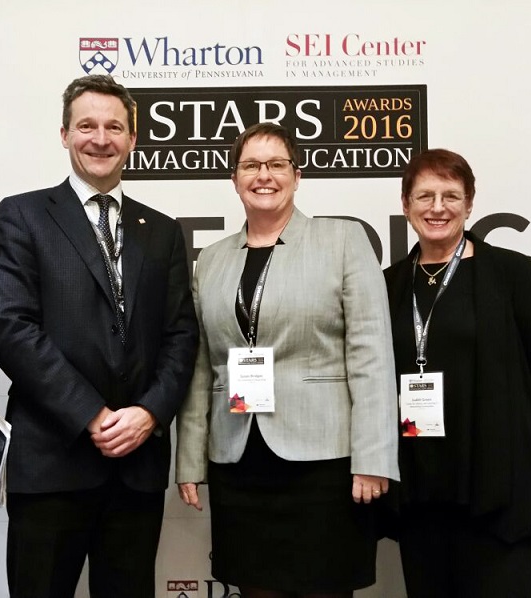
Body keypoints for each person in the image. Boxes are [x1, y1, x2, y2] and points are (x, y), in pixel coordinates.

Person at [0, 74, 199, 598]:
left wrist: (149, 413)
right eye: (86, 126)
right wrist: (92, 415)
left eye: (114, 127)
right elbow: (10, 327)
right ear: (64, 134)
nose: (100, 139)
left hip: (137, 465)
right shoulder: (23, 215)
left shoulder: (163, 230)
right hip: (52, 460)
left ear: (132, 138)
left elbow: (180, 335)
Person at [175, 122, 399, 598]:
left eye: (277, 164)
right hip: (239, 461)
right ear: (234, 179)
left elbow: (372, 355)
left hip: (324, 463)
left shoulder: (343, 241)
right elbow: (201, 369)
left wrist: (374, 456)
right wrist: (190, 459)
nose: (264, 176)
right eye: (251, 166)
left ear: (297, 176)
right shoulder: (211, 260)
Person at [384, 148, 531, 597]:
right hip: (423, 496)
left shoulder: (513, 274)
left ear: (469, 204)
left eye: (450, 196)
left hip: (501, 494)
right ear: (405, 205)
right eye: (424, 196)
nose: (437, 207)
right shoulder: (388, 284)